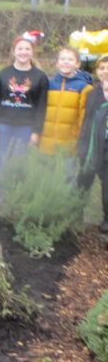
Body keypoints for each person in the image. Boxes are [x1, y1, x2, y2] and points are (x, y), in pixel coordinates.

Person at [0, 31, 49, 205]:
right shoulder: (3, 74)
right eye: (20, 49)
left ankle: (14, 198)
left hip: (25, 128)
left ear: (32, 52)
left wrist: (36, 132)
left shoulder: (40, 77)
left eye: (27, 49)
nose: (23, 52)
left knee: (20, 164)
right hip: (4, 126)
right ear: (14, 51)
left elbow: (41, 106)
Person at [40, 46, 93, 156]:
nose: (66, 62)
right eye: (62, 59)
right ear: (57, 63)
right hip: (46, 145)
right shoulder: (48, 84)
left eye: (70, 59)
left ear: (77, 64)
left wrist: (79, 143)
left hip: (69, 147)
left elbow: (84, 119)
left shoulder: (84, 88)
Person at [77, 55, 108, 232]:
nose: (106, 71)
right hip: (91, 146)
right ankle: (76, 211)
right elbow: (87, 121)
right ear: (97, 72)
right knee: (83, 181)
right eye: (102, 68)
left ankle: (106, 219)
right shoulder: (91, 93)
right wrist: (82, 144)